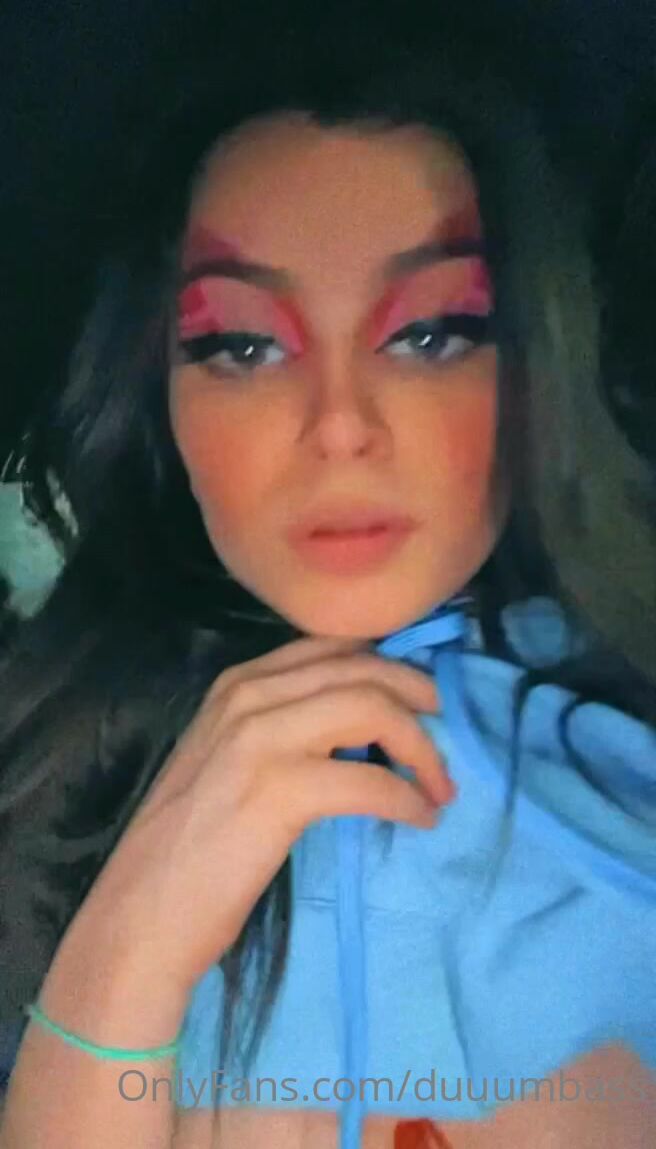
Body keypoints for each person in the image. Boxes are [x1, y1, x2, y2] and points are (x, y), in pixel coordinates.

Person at [0, 23, 654, 1149]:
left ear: (531, 367)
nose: (341, 425)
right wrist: (130, 940)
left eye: (431, 334)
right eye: (244, 347)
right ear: (160, 400)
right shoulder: (50, 776)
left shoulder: (625, 771)